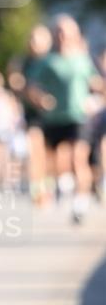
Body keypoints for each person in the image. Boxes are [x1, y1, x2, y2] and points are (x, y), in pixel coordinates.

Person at [26, 15, 101, 223]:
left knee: (78, 157)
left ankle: (80, 204)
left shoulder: (83, 58)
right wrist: (40, 99)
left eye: (66, 32)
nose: (62, 36)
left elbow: (96, 82)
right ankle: (64, 187)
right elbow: (31, 86)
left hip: (79, 116)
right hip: (54, 118)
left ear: (74, 34)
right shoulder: (47, 61)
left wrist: (95, 98)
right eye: (58, 31)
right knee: (60, 161)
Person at [7, 24, 52, 206]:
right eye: (32, 39)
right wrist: (28, 92)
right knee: (35, 147)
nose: (35, 43)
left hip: (55, 113)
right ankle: (37, 188)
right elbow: (16, 83)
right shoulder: (24, 62)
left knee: (50, 153)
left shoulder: (52, 60)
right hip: (33, 113)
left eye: (39, 39)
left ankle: (51, 184)